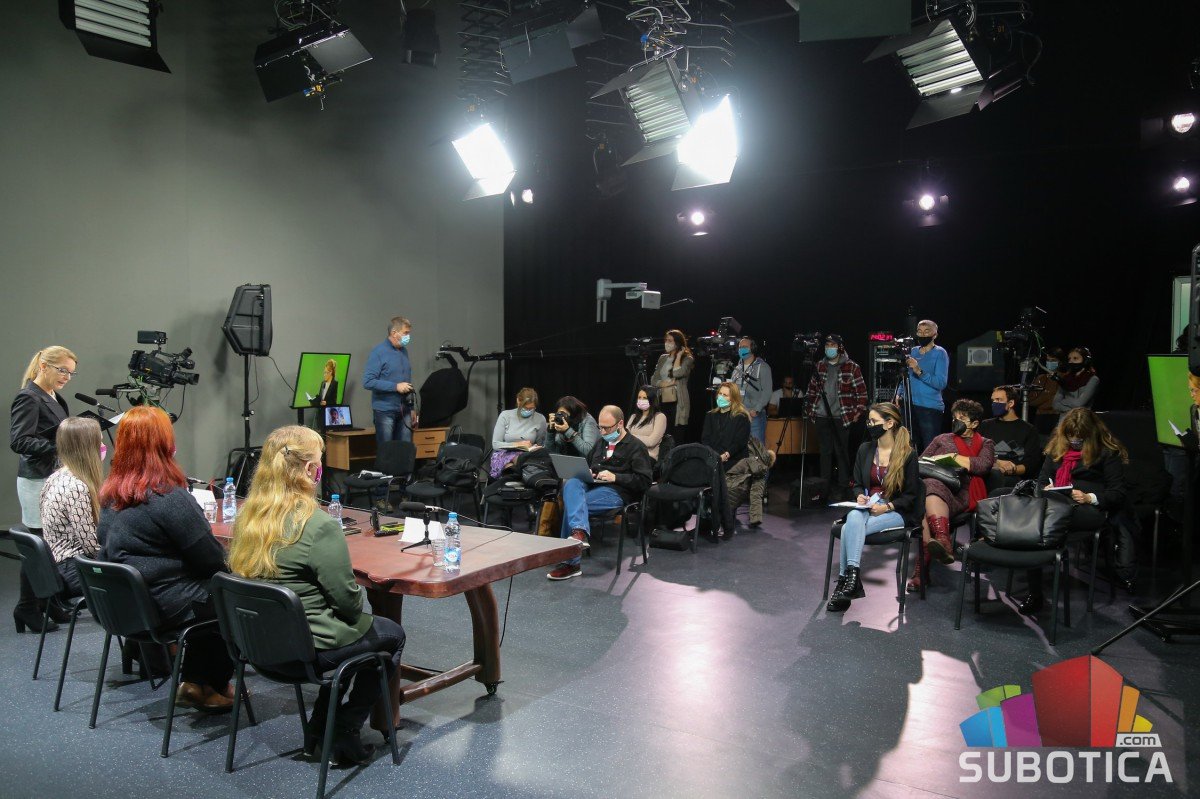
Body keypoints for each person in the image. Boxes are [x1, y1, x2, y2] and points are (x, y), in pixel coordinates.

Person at [228, 426, 405, 763]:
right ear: (310, 470)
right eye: (320, 463)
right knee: (390, 635)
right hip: (305, 651)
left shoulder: (247, 519)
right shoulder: (318, 525)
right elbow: (349, 604)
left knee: (352, 637)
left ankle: (320, 726)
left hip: (257, 647)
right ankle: (345, 728)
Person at [98, 406, 235, 711]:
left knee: (210, 594)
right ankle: (208, 683)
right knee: (235, 592)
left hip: (126, 604)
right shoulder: (167, 497)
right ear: (165, 445)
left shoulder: (110, 495)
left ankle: (198, 683)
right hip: (163, 605)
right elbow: (211, 559)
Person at [1019, 408, 1131, 614]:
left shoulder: (1107, 452)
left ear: (1091, 434)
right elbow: (1041, 481)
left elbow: (1118, 493)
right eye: (1071, 436)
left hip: (1089, 510)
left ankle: (1032, 572)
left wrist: (1090, 497)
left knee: (1037, 523)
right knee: (1027, 512)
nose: (1074, 441)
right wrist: (1046, 488)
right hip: (1055, 504)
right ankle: (1035, 593)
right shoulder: (1057, 449)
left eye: (1080, 438)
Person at [826, 403, 920, 613]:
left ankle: (844, 583)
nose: (869, 425)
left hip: (896, 511)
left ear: (889, 423)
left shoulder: (907, 454)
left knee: (848, 527)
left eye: (874, 421)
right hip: (868, 507)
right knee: (854, 517)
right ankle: (852, 578)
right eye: (868, 421)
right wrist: (860, 495)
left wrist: (887, 507)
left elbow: (911, 496)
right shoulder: (865, 449)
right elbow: (857, 483)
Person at [10, 345, 77, 633]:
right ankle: (26, 607)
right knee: (38, 546)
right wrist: (62, 447)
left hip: (52, 478)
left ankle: (48, 601)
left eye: (71, 373)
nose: (66, 377)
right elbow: (19, 440)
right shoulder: (28, 397)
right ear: (44, 366)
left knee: (52, 543)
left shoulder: (55, 396)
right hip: (36, 481)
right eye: (62, 370)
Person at [546, 405, 653, 581]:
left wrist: (616, 477)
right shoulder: (601, 443)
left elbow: (644, 481)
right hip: (594, 485)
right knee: (572, 482)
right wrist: (590, 472)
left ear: (620, 424)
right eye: (600, 427)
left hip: (617, 492)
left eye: (606, 428)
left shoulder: (636, 447)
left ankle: (571, 562)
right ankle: (578, 534)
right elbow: (592, 465)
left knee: (574, 504)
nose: (602, 432)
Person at [909, 399, 995, 593]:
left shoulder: (985, 443)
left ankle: (921, 570)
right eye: (954, 418)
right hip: (935, 486)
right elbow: (921, 462)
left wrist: (953, 458)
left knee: (923, 499)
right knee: (929, 488)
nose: (956, 422)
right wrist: (936, 462)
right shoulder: (941, 438)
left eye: (961, 419)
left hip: (962, 490)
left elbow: (983, 465)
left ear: (974, 423)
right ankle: (942, 539)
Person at [39, 417, 104, 599]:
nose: (103, 446)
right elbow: (91, 547)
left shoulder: (55, 477)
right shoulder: (77, 487)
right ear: (87, 447)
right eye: (99, 442)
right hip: (71, 569)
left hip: (56, 565)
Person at [804, 334, 868, 500]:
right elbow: (811, 391)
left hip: (842, 417)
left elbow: (862, 393)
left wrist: (857, 413)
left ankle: (843, 487)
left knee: (841, 452)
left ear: (839, 347)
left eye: (832, 345)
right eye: (827, 345)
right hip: (821, 416)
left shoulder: (851, 367)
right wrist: (810, 410)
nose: (829, 348)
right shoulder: (819, 365)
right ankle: (823, 487)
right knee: (824, 452)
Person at [895, 319, 949, 454]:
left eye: (926, 332)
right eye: (919, 331)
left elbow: (941, 383)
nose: (922, 335)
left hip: (929, 408)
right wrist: (899, 392)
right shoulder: (913, 351)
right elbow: (906, 375)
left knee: (929, 449)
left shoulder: (940, 353)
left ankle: (926, 469)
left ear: (935, 335)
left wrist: (919, 371)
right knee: (907, 446)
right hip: (908, 406)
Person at [363, 317, 418, 447]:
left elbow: (407, 382)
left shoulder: (404, 351)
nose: (408, 336)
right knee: (387, 451)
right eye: (405, 333)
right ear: (394, 333)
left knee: (405, 450)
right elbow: (368, 382)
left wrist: (411, 409)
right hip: (385, 411)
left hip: (405, 411)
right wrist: (395, 387)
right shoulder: (378, 352)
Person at [978, 384, 1044, 491]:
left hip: (1012, 479)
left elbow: (1031, 464)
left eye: (999, 400)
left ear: (1011, 403)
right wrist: (996, 463)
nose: (994, 403)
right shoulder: (985, 425)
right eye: (993, 400)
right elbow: (975, 451)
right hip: (987, 471)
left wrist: (1010, 470)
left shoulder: (1028, 430)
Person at [489, 387, 547, 478]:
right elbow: (496, 444)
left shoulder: (540, 419)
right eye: (525, 408)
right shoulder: (505, 416)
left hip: (527, 456)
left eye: (531, 408)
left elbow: (541, 444)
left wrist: (534, 448)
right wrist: (518, 444)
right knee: (511, 469)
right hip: (504, 454)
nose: (528, 411)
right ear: (518, 401)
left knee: (525, 464)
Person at [653, 329, 695, 443]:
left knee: (676, 435)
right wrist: (665, 384)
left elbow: (677, 373)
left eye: (670, 341)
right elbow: (654, 380)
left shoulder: (687, 359)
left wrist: (679, 356)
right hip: (661, 399)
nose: (667, 343)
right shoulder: (663, 358)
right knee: (662, 433)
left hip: (677, 401)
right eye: (666, 340)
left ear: (677, 343)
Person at [731, 337, 773, 445]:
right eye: (740, 347)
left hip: (754, 417)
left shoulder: (763, 367)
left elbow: (767, 391)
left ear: (753, 348)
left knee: (756, 449)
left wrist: (756, 409)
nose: (741, 349)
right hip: (738, 416)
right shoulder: (737, 369)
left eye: (745, 347)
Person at [702, 382, 751, 471]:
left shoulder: (741, 417)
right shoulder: (710, 415)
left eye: (725, 395)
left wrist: (725, 455)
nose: (721, 397)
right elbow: (705, 439)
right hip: (714, 457)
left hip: (734, 460)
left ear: (733, 398)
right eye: (720, 394)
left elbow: (739, 443)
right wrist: (712, 455)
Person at [1051, 347, 1100, 414]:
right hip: (1064, 419)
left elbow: (1079, 403)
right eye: (1069, 359)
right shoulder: (1065, 379)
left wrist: (1063, 402)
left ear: (1086, 361)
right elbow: (1055, 404)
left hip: (1082, 419)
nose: (1071, 361)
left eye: (1075, 358)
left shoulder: (1093, 379)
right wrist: (1072, 409)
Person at [627, 385, 668, 460]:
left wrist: (631, 436)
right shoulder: (633, 417)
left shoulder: (660, 417)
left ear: (652, 400)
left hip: (647, 457)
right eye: (639, 397)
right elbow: (625, 437)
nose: (641, 400)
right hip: (630, 454)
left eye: (645, 398)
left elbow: (651, 442)